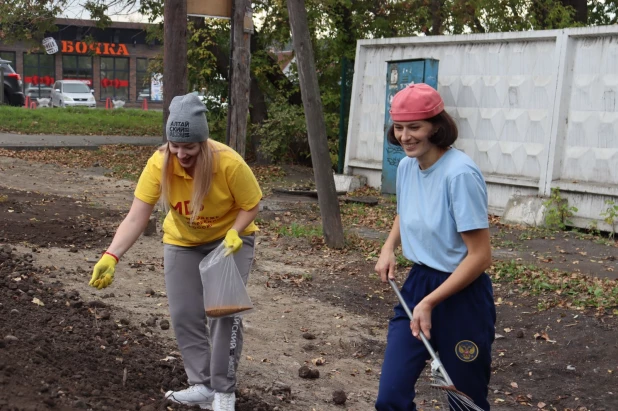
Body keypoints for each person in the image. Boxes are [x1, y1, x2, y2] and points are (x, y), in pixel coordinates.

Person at [88, 93, 262, 411]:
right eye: (175, 145)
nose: (181, 153)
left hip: (229, 241)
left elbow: (251, 205)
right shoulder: (159, 162)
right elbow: (136, 215)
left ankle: (224, 392)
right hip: (182, 240)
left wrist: (235, 232)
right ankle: (203, 385)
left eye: (189, 147)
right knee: (184, 314)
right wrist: (111, 255)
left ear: (202, 142)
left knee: (223, 314)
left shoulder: (228, 163)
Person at [374, 83, 495, 410]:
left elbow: (481, 256)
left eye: (415, 127)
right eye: (399, 127)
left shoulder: (460, 174)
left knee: (464, 402)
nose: (405, 136)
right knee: (390, 398)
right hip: (417, 287)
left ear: (437, 127)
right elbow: (406, 211)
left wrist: (431, 302)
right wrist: (389, 247)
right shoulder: (406, 167)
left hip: (462, 296)